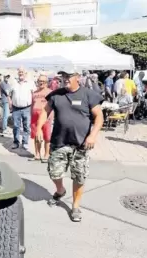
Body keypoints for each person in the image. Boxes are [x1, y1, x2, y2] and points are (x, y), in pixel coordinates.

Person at [35, 67, 104, 222]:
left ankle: (75, 206)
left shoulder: (88, 94)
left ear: (77, 77)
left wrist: (93, 136)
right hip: (59, 142)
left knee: (79, 177)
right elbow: (45, 112)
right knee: (54, 173)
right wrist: (39, 128)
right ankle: (60, 190)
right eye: (63, 76)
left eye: (69, 76)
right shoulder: (56, 95)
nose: (65, 78)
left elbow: (99, 116)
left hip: (81, 144)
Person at [10, 67, 35, 150]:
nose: (21, 73)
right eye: (20, 72)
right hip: (15, 108)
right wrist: (10, 103)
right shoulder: (14, 83)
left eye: (22, 72)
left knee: (26, 126)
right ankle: (16, 142)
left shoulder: (30, 83)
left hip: (26, 108)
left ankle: (25, 142)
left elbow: (34, 94)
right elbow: (9, 94)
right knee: (16, 126)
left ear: (26, 74)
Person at [29, 74, 52, 162]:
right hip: (35, 116)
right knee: (36, 136)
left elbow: (52, 106)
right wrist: (31, 115)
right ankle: (37, 154)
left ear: (46, 83)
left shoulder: (50, 92)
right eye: (40, 81)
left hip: (46, 116)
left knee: (47, 137)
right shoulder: (34, 93)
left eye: (43, 81)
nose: (41, 83)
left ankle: (46, 155)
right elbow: (32, 105)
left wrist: (50, 117)